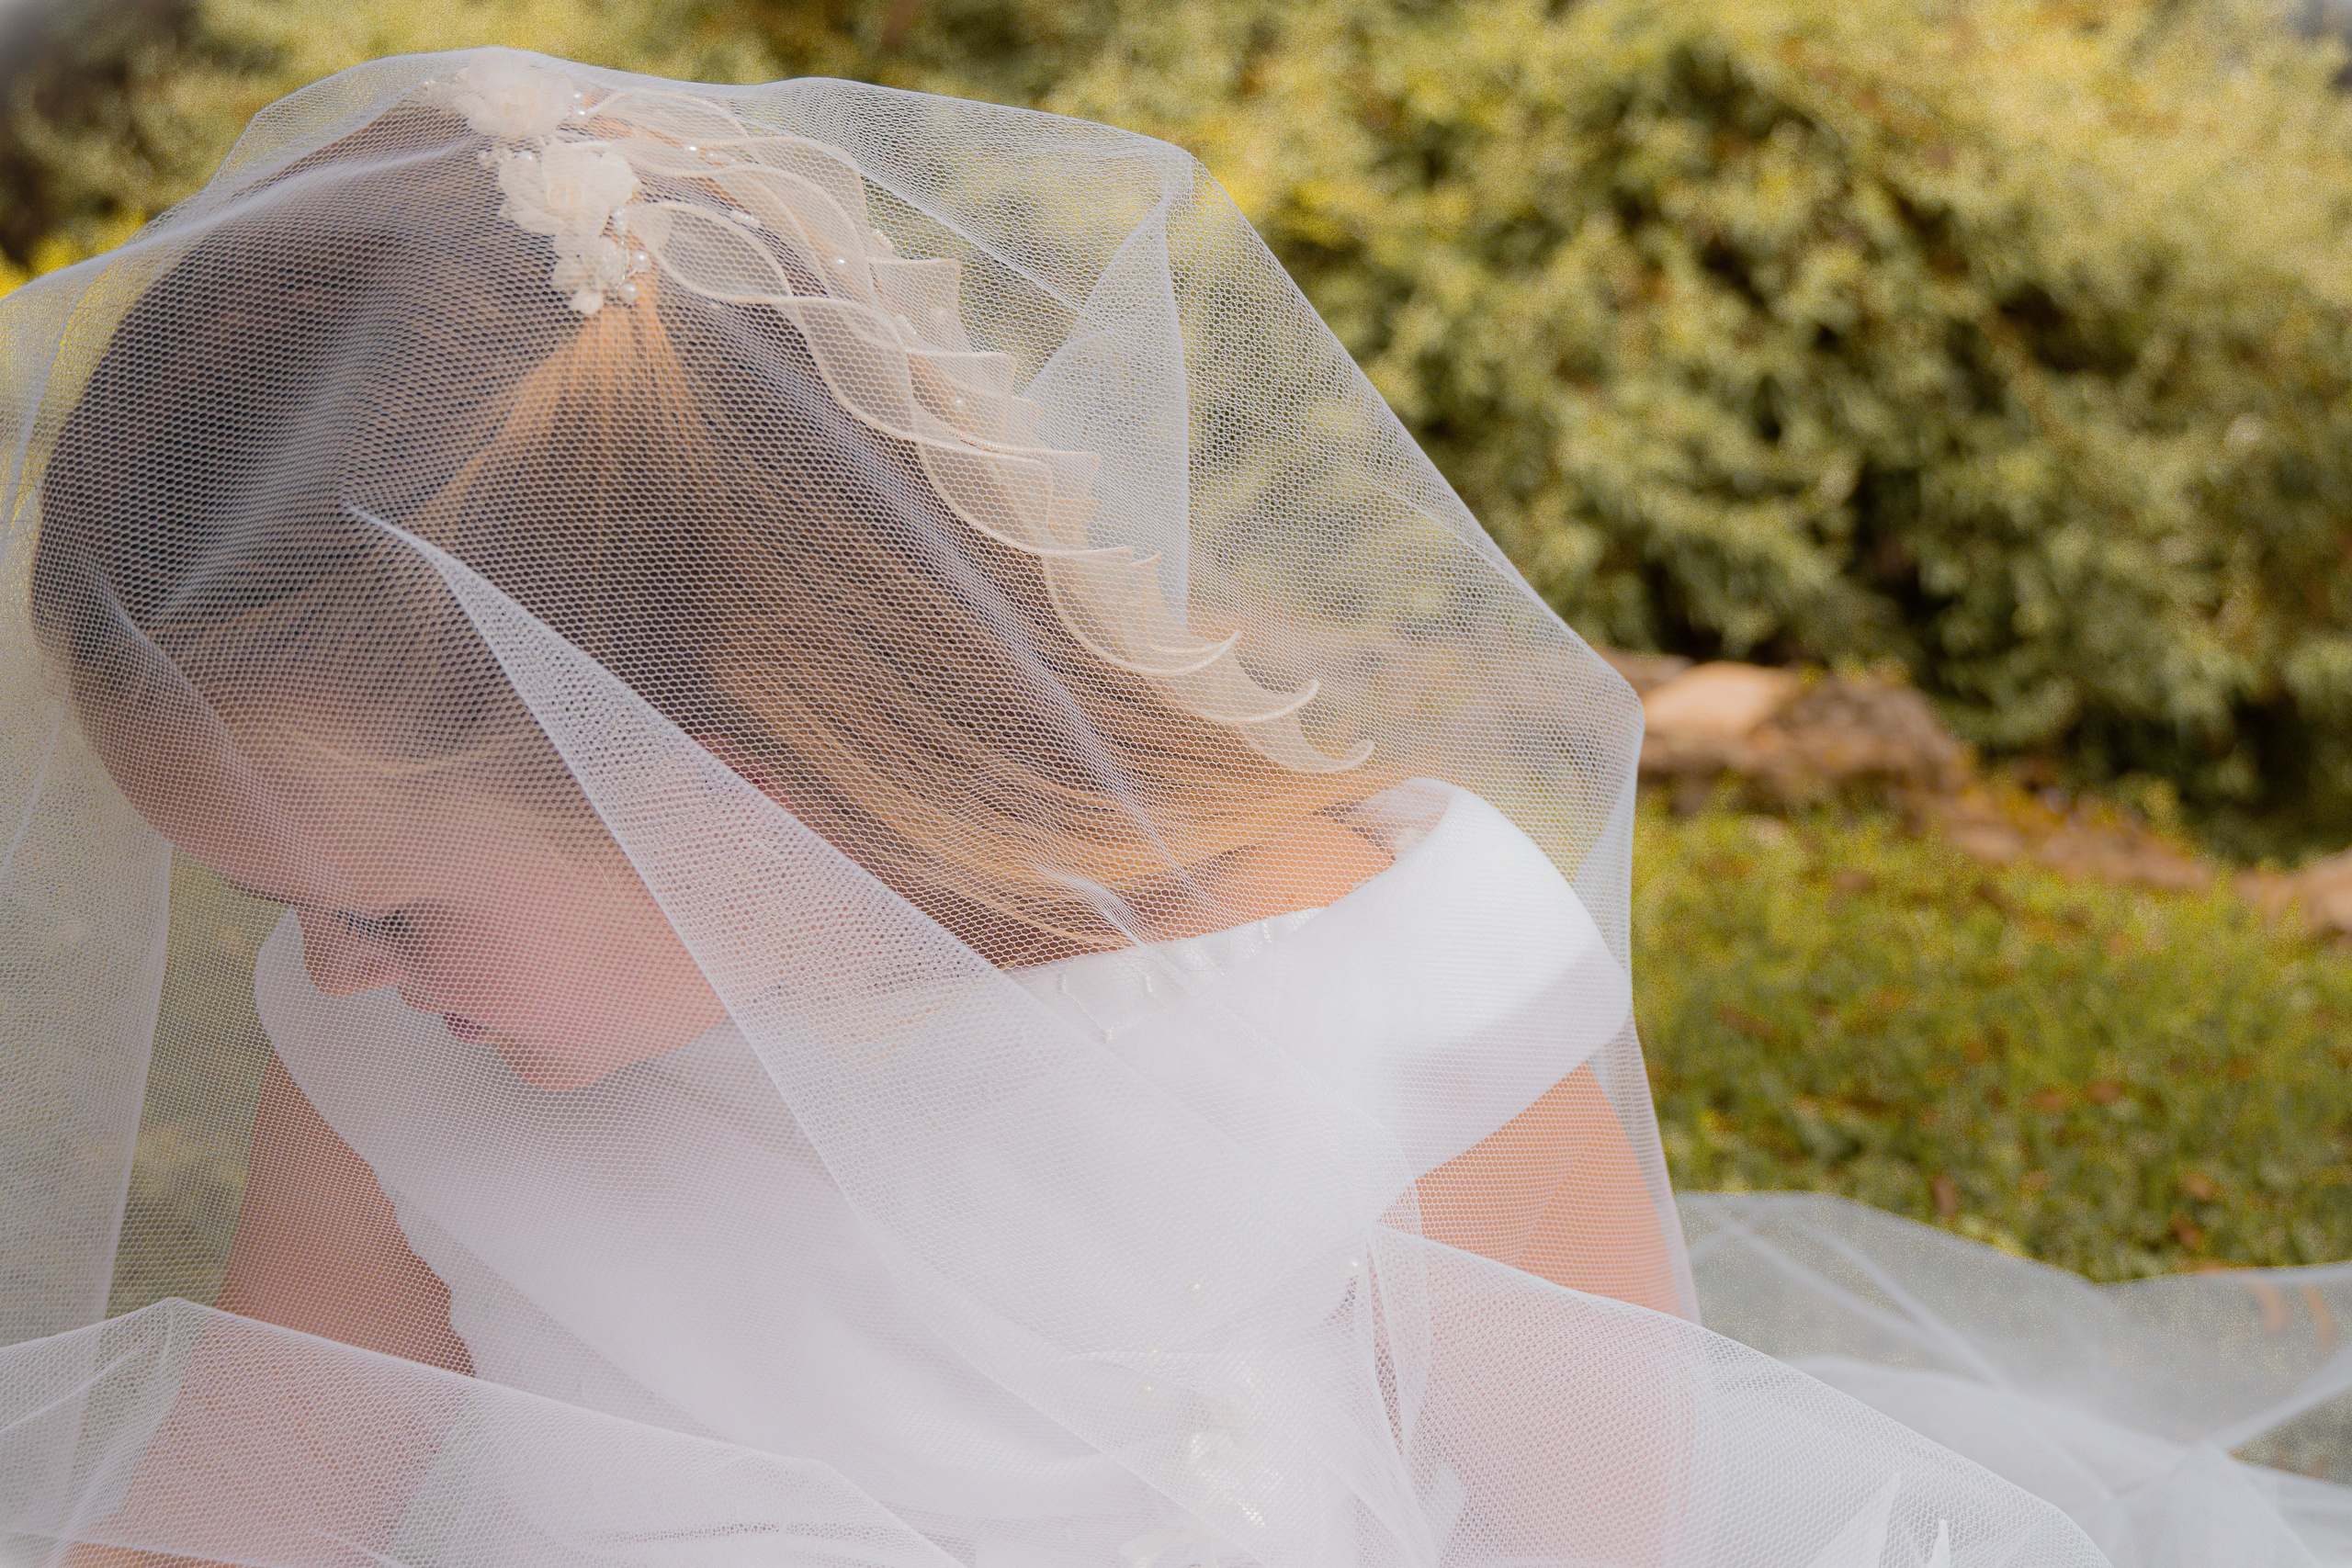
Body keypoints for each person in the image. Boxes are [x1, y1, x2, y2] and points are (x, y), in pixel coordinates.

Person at [0, 48, 2283, 1568]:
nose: (334, 968)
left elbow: (1598, 1516)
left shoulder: (1363, 977)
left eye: (389, 904)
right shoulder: (393, 1052)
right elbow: (252, 1494)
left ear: (701, 780)